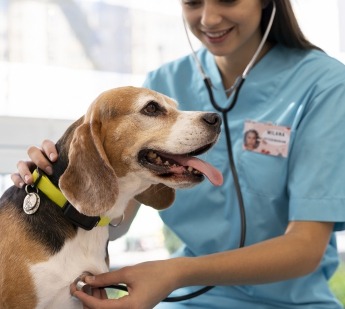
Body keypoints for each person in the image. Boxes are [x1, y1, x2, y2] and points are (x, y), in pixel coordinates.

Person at [12, 0, 345, 308]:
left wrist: (177, 272)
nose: (209, 18)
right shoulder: (164, 82)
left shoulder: (324, 85)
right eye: (192, 2)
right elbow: (116, 216)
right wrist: (56, 186)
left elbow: (305, 247)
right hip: (185, 302)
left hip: (289, 303)